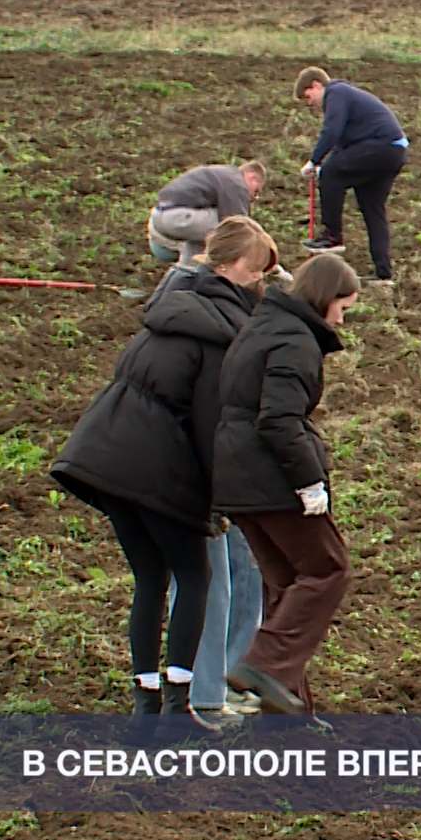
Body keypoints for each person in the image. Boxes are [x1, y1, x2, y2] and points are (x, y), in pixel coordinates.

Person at [50, 217, 280, 735]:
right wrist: (219, 502)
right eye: (254, 268)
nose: (258, 279)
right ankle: (186, 710)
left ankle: (148, 712)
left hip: (103, 454)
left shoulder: (175, 307)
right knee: (197, 577)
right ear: (226, 266)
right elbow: (208, 425)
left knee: (152, 579)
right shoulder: (221, 336)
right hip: (156, 465)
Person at [216, 253, 361, 717]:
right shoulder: (295, 340)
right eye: (343, 306)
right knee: (327, 570)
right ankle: (264, 667)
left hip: (236, 476)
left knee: (286, 583)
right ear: (324, 297)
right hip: (269, 478)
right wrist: (309, 481)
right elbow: (278, 420)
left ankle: (289, 709)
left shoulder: (262, 327)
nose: (342, 317)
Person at [294, 66, 409, 285]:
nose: (310, 104)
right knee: (372, 208)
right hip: (394, 150)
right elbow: (342, 145)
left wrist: (314, 161)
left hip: (380, 146)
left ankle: (332, 237)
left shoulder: (336, 93)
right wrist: (322, 165)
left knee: (330, 176)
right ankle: (383, 273)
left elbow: (331, 130)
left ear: (317, 85)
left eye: (308, 97)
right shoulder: (348, 98)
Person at [148, 161, 265, 264]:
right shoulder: (236, 182)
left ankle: (186, 276)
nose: (253, 199)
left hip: (159, 217)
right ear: (252, 177)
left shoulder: (221, 175)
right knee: (229, 229)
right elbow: (239, 224)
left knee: (202, 246)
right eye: (256, 192)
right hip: (176, 218)